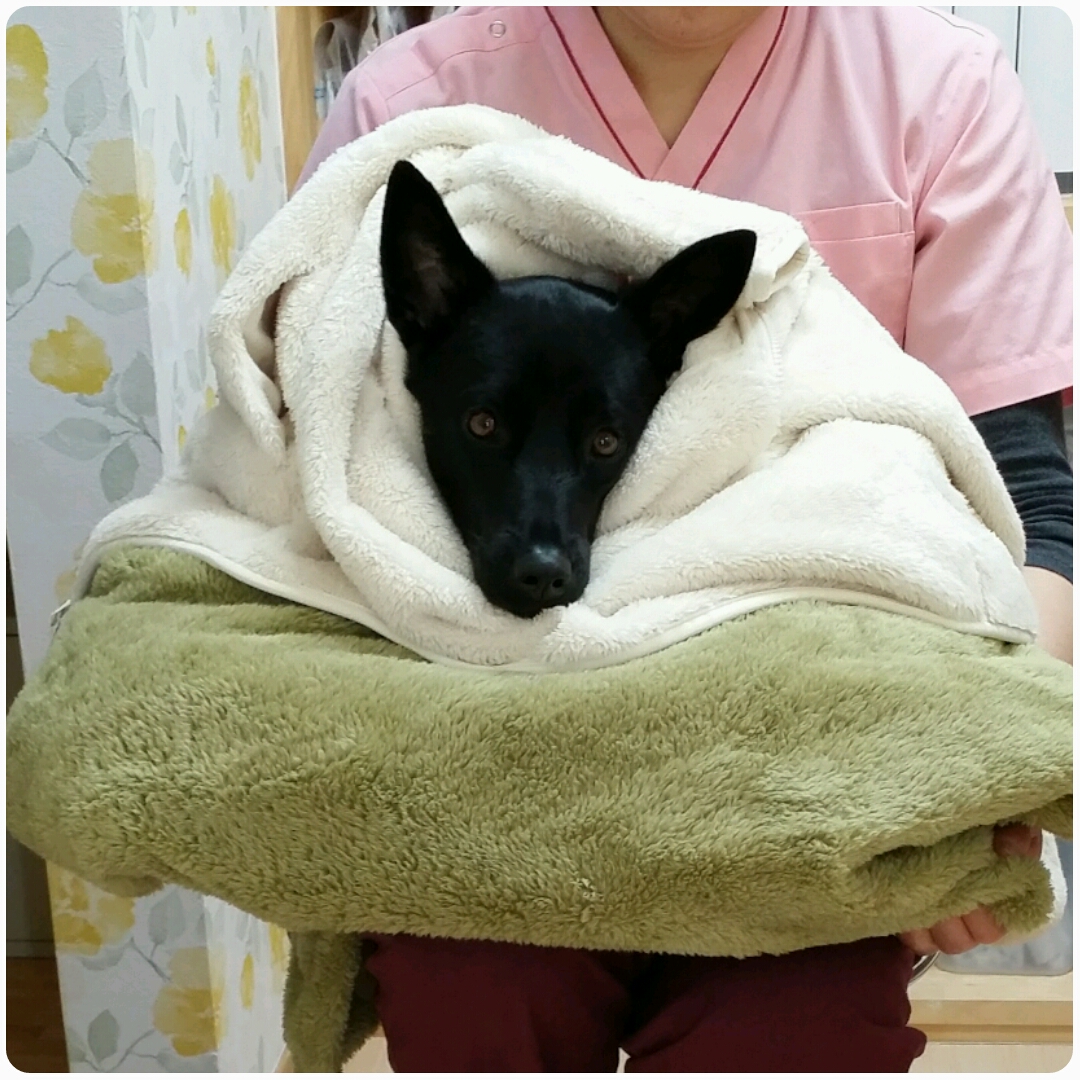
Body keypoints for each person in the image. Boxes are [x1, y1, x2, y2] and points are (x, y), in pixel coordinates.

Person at [299, 7, 1073, 1071]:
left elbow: (1026, 503)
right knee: (474, 993)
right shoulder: (406, 105)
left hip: (801, 769)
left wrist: (976, 780)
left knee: (791, 1033)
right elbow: (312, 445)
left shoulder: (941, 94)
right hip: (485, 765)